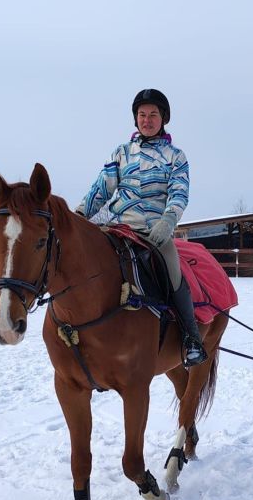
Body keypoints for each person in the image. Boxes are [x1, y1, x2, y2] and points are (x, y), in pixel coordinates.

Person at [75, 88, 206, 367]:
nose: (147, 120)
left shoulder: (175, 156)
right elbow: (101, 190)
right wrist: (78, 215)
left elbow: (179, 193)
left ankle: (190, 338)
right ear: (136, 119)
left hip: (154, 230)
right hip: (116, 226)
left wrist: (168, 221)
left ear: (163, 119)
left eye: (153, 115)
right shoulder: (121, 153)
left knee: (172, 270)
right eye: (142, 115)